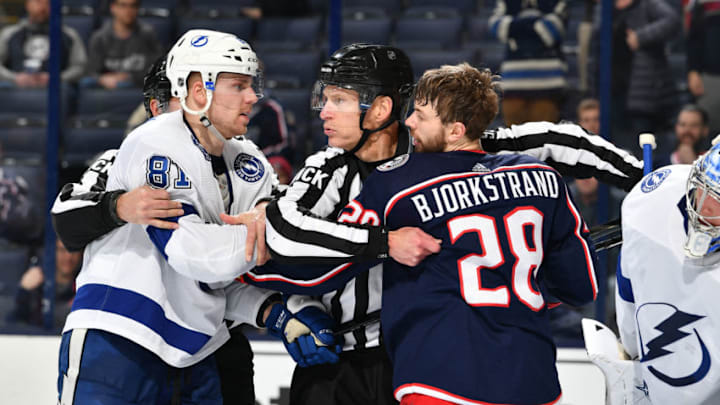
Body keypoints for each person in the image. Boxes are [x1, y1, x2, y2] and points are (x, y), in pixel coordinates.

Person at [234, 43, 644, 404]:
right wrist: (298, 304)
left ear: (379, 108)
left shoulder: (447, 150)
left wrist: (648, 183)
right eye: (324, 99)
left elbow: (556, 141)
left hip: (414, 357)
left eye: (339, 100)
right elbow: (283, 236)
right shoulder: (327, 167)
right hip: (343, 356)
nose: (324, 111)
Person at [55, 29, 336, 404]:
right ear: (195, 92)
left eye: (252, 85)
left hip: (201, 348)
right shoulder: (148, 144)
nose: (253, 97)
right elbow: (195, 254)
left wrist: (281, 311)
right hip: (120, 334)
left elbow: (217, 280)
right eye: (239, 85)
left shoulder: (247, 162)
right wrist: (116, 206)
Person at [616, 141, 720, 403]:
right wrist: (630, 345)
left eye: (719, 202)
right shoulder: (650, 201)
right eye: (704, 190)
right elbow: (628, 286)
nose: (706, 207)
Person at [489, 0, 568, 126]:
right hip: (513, 85)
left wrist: (514, 27)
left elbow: (552, 30)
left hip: (548, 85)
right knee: (513, 141)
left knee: (543, 140)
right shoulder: (506, 2)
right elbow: (497, 27)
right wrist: (535, 25)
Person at [0, 0, 86, 87]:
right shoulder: (9, 34)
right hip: (17, 89)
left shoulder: (69, 35)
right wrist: (14, 78)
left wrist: (57, 78)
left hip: (55, 90)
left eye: (48, 3)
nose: (43, 7)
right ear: (28, 4)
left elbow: (79, 67)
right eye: (38, 2)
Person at [84, 0, 162, 89]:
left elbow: (156, 68)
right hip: (108, 90)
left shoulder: (148, 35)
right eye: (123, 5)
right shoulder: (99, 38)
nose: (128, 10)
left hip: (138, 89)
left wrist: (127, 77)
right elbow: (91, 71)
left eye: (133, 6)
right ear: (113, 7)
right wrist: (101, 79)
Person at [7, 239, 81, 328]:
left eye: (74, 251)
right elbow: (12, 323)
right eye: (62, 250)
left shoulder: (83, 289)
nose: (68, 257)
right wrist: (24, 290)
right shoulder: (37, 286)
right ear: (52, 252)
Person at [686, 0, 720, 136]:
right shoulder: (701, 3)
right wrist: (693, 71)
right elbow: (694, 38)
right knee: (710, 134)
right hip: (709, 75)